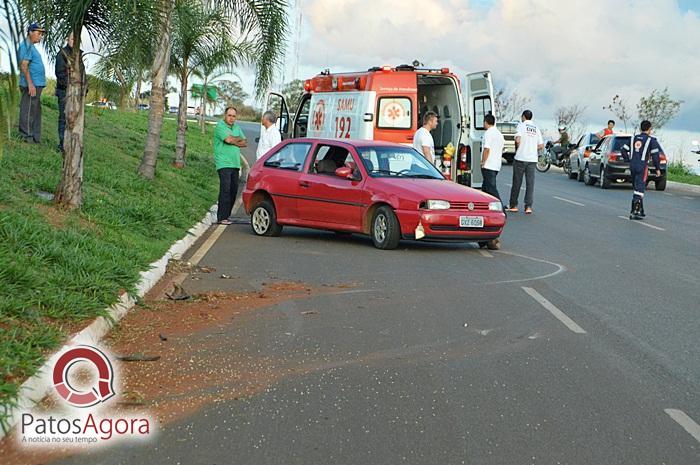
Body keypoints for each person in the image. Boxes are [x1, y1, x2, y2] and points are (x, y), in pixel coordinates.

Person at [621, 120, 662, 220]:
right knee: (640, 188)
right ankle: (635, 211)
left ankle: (641, 210)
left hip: (633, 165)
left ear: (640, 128)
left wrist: (628, 160)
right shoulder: (651, 140)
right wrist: (657, 169)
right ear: (649, 129)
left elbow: (623, 150)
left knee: (637, 187)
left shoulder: (632, 139)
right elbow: (655, 156)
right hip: (642, 166)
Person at [214, 107, 247, 225]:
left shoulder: (237, 127)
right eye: (229, 115)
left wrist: (233, 139)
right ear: (225, 115)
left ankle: (227, 216)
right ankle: (221, 217)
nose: (231, 118)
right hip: (223, 163)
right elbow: (227, 140)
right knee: (225, 189)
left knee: (234, 190)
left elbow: (245, 142)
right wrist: (235, 139)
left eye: (234, 116)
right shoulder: (220, 126)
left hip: (235, 163)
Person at [55, 34, 87, 153]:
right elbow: (60, 75)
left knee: (76, 119)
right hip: (65, 92)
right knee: (64, 118)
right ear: (67, 39)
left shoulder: (78, 55)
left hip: (78, 94)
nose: (74, 41)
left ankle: (73, 145)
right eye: (72, 38)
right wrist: (71, 86)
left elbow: (83, 74)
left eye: (76, 39)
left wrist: (84, 88)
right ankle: (63, 145)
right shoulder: (62, 54)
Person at [507, 110, 544, 214]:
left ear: (523, 117)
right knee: (530, 183)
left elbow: (517, 140)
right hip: (532, 159)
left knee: (517, 182)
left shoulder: (521, 125)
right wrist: (532, 148)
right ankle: (528, 207)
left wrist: (519, 147)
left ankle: (513, 205)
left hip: (520, 157)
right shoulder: (536, 128)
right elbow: (541, 145)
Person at [17, 22, 46, 144]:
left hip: (37, 84)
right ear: (30, 32)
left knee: (35, 111)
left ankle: (35, 137)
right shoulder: (26, 46)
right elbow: (24, 65)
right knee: (28, 110)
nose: (40, 36)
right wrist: (30, 84)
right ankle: (26, 136)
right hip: (31, 85)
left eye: (41, 34)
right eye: (38, 33)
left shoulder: (31, 47)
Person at [480, 114, 504, 207]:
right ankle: (484, 207)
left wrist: (483, 161)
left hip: (488, 165)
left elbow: (487, 149)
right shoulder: (499, 134)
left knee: (491, 189)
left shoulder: (488, 133)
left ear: (486, 122)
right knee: (485, 188)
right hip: (496, 164)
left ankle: (500, 208)